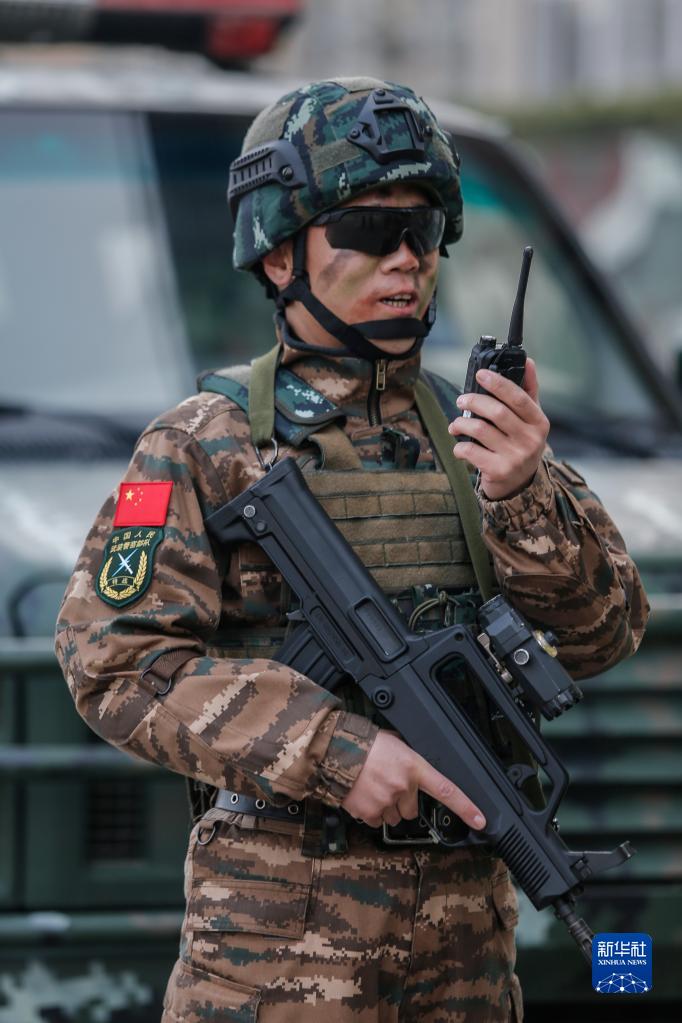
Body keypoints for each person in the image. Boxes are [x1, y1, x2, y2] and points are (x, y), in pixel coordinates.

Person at [55, 78, 648, 1023]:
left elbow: (605, 636)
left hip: (465, 955)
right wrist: (332, 748)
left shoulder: (481, 436)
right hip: (275, 959)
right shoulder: (199, 442)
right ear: (280, 251)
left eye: (425, 231)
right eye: (370, 231)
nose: (406, 258)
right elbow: (111, 660)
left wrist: (521, 490)